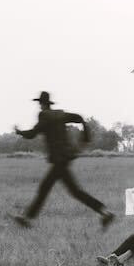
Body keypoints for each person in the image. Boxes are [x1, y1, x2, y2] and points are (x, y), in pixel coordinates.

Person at [11, 91, 114, 229]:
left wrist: (19, 131)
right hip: (65, 158)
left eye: (40, 103)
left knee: (48, 189)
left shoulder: (44, 115)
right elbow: (79, 118)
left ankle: (27, 218)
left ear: (42, 104)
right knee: (73, 191)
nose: (39, 106)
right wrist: (85, 134)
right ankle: (104, 212)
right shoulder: (61, 114)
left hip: (59, 160)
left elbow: (32, 134)